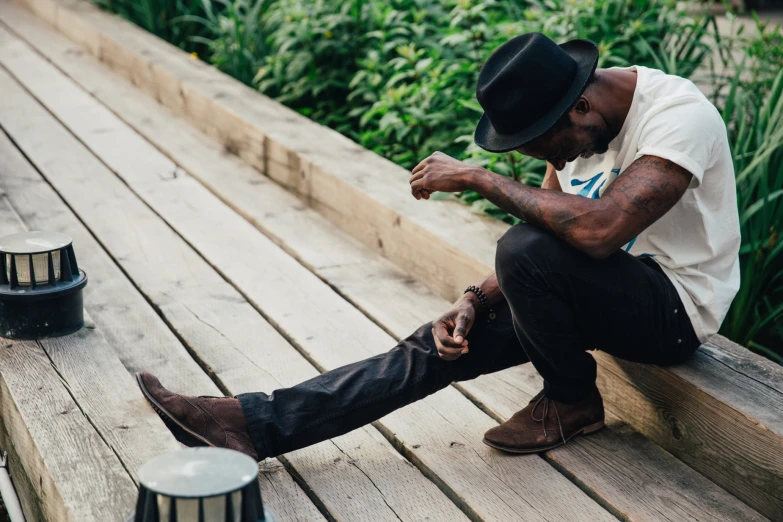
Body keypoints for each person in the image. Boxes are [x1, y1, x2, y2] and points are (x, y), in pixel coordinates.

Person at [137, 32, 740, 461]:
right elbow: (557, 237)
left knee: (524, 247)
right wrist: (473, 298)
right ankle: (250, 423)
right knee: (438, 344)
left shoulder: (678, 118)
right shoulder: (579, 127)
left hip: (673, 314)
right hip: (594, 291)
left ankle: (571, 398)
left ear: (581, 104)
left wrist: (479, 177)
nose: (558, 163)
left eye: (553, 148)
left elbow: (599, 229)